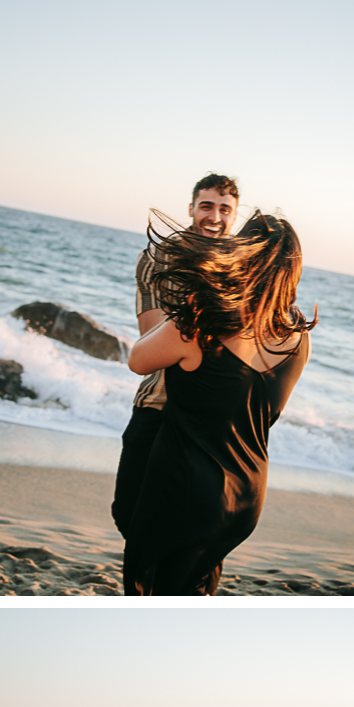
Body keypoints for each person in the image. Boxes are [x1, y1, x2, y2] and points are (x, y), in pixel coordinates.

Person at [121, 209, 316, 595]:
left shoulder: (200, 323)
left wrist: (191, 300)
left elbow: (138, 360)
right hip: (246, 497)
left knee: (148, 592)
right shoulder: (297, 338)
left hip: (185, 488)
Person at [111, 174, 240, 551]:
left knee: (199, 526)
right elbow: (151, 343)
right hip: (159, 402)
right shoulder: (158, 256)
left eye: (224, 209)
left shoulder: (242, 264)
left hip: (213, 414)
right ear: (191, 208)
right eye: (207, 206)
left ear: (234, 215)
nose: (214, 216)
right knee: (127, 512)